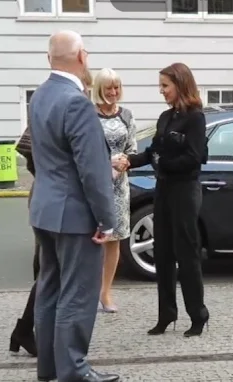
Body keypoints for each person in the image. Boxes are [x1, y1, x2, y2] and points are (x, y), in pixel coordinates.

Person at [29, 30, 120, 382]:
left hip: (44, 209)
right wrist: (107, 220)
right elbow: (93, 169)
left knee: (49, 289)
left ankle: (50, 368)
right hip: (75, 214)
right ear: (82, 56)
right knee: (78, 295)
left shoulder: (39, 96)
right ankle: (74, 370)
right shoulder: (76, 101)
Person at [9, 72, 94, 358]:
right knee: (51, 275)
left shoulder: (47, 99)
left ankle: (30, 335)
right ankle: (31, 335)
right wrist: (50, 178)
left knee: (49, 274)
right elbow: (26, 148)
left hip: (47, 196)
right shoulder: (68, 104)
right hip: (57, 198)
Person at [123, 63, 209, 337]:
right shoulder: (164, 117)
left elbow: (194, 158)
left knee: (187, 255)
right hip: (164, 191)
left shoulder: (195, 118)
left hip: (185, 192)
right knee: (163, 254)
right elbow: (152, 152)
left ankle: (198, 315)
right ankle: (166, 314)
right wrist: (129, 161)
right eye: (160, 86)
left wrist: (164, 162)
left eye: (165, 86)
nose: (161, 91)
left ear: (180, 85)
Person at [93, 68, 137, 313]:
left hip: (120, 185)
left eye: (116, 87)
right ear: (99, 88)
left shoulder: (126, 115)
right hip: (96, 183)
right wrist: (106, 163)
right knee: (95, 238)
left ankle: (106, 292)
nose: (112, 92)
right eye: (108, 87)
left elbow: (132, 145)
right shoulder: (89, 114)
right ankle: (89, 290)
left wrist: (125, 161)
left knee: (115, 239)